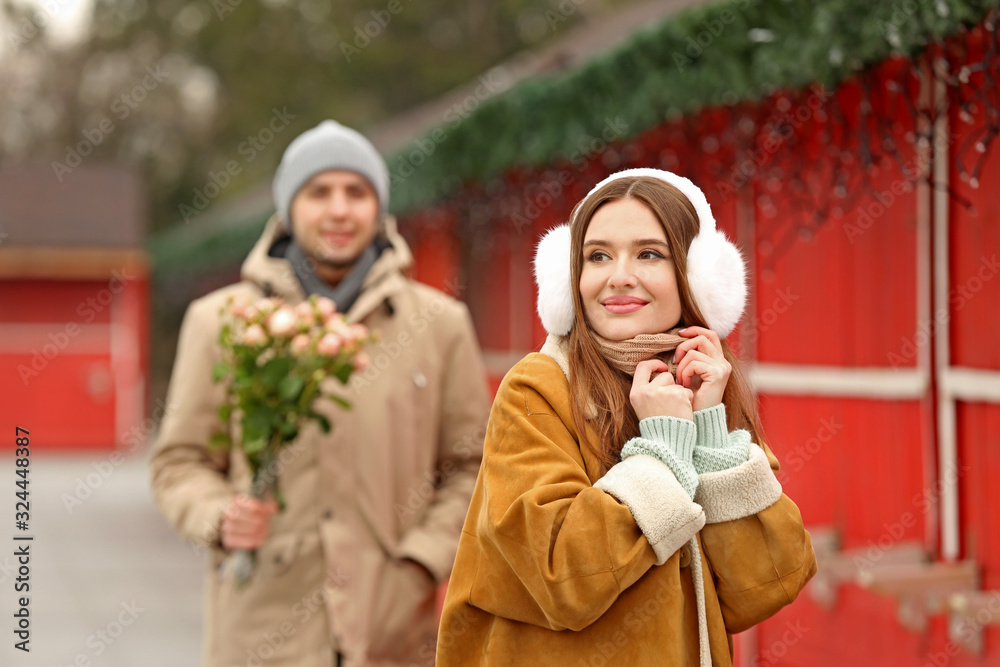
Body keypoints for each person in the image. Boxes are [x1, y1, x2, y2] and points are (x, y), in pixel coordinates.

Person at [436, 168, 817, 666]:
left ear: (693, 275)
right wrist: (661, 455)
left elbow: (767, 585)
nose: (619, 276)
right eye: (597, 256)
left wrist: (709, 435)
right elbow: (561, 579)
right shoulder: (538, 388)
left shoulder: (703, 383)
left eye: (649, 254)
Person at [150, 120, 491, 667]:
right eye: (318, 192)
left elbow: (473, 467)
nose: (339, 210)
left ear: (379, 207)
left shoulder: (438, 324)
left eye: (357, 193)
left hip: (392, 630)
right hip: (261, 626)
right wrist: (217, 514)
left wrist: (422, 561)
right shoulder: (221, 322)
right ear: (287, 207)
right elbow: (179, 462)